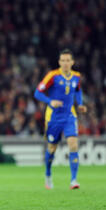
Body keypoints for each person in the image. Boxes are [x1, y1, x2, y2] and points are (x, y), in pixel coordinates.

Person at [34, 49, 87, 190]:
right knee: (52, 148)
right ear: (59, 62)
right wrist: (50, 101)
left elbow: (78, 90)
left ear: (72, 62)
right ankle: (48, 174)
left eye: (68, 60)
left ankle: (74, 180)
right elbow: (37, 92)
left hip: (70, 115)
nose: (65, 63)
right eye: (62, 60)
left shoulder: (76, 76)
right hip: (53, 117)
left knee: (73, 144)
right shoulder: (53, 76)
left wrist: (80, 104)